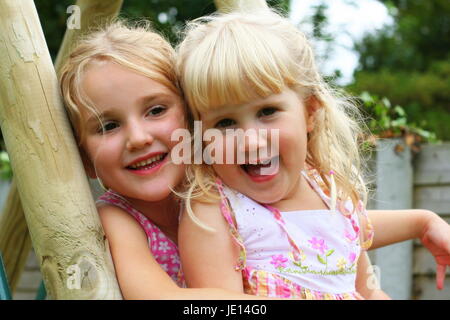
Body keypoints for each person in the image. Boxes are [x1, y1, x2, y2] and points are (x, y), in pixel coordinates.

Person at [58, 17, 449, 300]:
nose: (139, 138)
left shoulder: (246, 181)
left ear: (191, 120)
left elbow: (325, 239)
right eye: (107, 126)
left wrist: (421, 221)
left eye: (156, 110)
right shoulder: (197, 208)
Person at [176, 9, 450, 299]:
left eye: (267, 112)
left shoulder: (326, 191)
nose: (251, 142)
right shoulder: (213, 210)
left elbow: (364, 281)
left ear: (309, 112)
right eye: (225, 123)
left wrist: (424, 222)